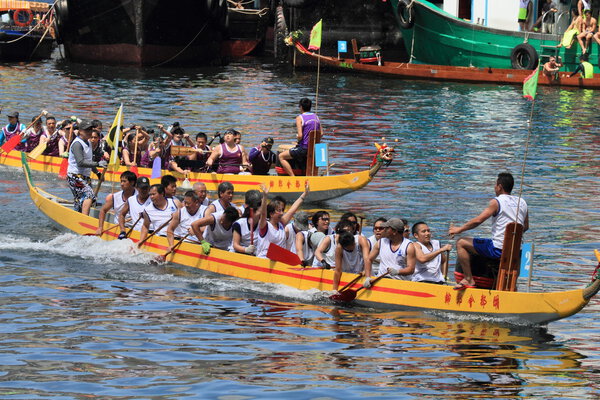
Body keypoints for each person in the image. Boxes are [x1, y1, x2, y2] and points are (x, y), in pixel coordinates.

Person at [448, 172, 529, 290]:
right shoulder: (523, 202)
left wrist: (458, 229)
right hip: (517, 251)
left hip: (498, 250)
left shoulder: (496, 202)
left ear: (500, 186)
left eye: (495, 185)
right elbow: (525, 227)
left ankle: (469, 279)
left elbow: (478, 220)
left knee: (461, 242)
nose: (494, 188)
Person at [255, 182, 309, 259]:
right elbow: (263, 213)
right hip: (264, 260)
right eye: (279, 210)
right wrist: (265, 196)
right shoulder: (264, 225)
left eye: (282, 210)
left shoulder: (281, 223)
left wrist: (305, 194)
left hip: (279, 261)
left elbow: (293, 209)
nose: (282, 213)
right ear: (271, 213)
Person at [66, 120, 107, 215]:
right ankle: (85, 220)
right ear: (80, 131)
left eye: (90, 130)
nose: (89, 132)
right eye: (86, 131)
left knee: (79, 201)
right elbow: (80, 162)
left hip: (85, 176)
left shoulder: (88, 143)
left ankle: (77, 218)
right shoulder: (77, 144)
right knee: (89, 196)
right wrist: (98, 164)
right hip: (74, 176)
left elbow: (89, 161)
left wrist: (97, 173)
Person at [278, 98, 321, 176]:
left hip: (304, 149)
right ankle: (312, 175)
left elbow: (300, 135)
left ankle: (293, 177)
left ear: (301, 107)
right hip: (315, 148)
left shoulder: (299, 118)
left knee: (281, 157)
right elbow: (321, 134)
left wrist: (298, 139)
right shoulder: (316, 117)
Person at [365, 218, 414, 286]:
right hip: (381, 280)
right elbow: (369, 259)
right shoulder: (381, 242)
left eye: (387, 228)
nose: (384, 230)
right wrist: (368, 277)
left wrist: (397, 272)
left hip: (400, 282)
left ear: (394, 231)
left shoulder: (409, 246)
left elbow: (411, 269)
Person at [95, 171, 137, 235]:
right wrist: (100, 227)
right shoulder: (115, 196)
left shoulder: (139, 196)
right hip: (118, 227)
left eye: (124, 181)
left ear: (132, 182)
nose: (122, 184)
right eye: (121, 181)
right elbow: (103, 210)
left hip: (135, 228)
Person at [231, 189, 262, 254]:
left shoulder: (263, 223)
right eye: (260, 205)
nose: (262, 207)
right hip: (238, 254)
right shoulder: (239, 224)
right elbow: (235, 245)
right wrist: (246, 250)